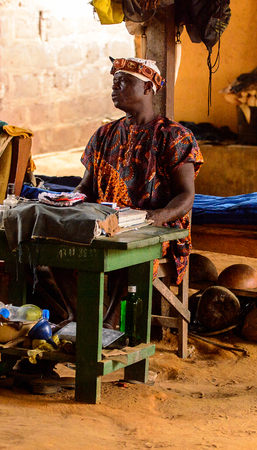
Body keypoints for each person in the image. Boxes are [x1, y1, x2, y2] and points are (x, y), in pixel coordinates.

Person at [50, 56, 203, 329]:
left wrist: (156, 216)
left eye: (123, 82)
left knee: (129, 244)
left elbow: (186, 195)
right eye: (114, 82)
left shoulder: (175, 136)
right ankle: (79, 316)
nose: (114, 87)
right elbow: (85, 187)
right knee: (53, 245)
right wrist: (68, 202)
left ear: (147, 89)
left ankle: (108, 323)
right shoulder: (104, 134)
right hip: (106, 223)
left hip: (154, 228)